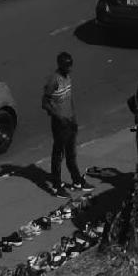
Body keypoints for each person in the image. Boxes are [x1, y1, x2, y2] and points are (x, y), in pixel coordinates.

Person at [43, 52, 88, 197]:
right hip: (59, 123)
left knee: (71, 153)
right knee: (58, 154)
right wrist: (58, 117)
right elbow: (44, 103)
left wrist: (74, 118)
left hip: (70, 121)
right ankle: (56, 185)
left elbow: (69, 99)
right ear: (61, 65)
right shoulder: (54, 80)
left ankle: (77, 181)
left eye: (71, 65)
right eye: (67, 65)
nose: (70, 68)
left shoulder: (68, 77)